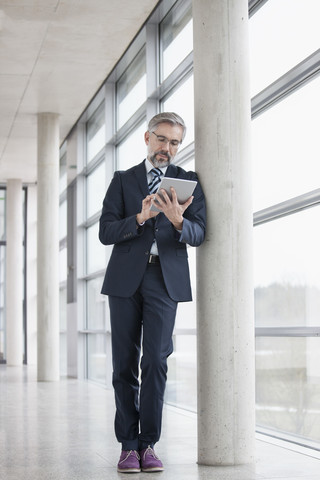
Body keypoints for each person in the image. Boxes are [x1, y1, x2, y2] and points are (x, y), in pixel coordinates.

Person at [99, 112, 206, 473]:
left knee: (156, 361)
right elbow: (106, 231)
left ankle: (149, 445)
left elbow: (200, 233)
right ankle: (128, 445)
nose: (167, 148)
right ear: (147, 139)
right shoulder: (123, 180)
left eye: (175, 142)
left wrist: (178, 221)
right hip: (125, 279)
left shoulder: (190, 182)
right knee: (123, 364)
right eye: (162, 139)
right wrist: (141, 219)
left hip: (165, 280)